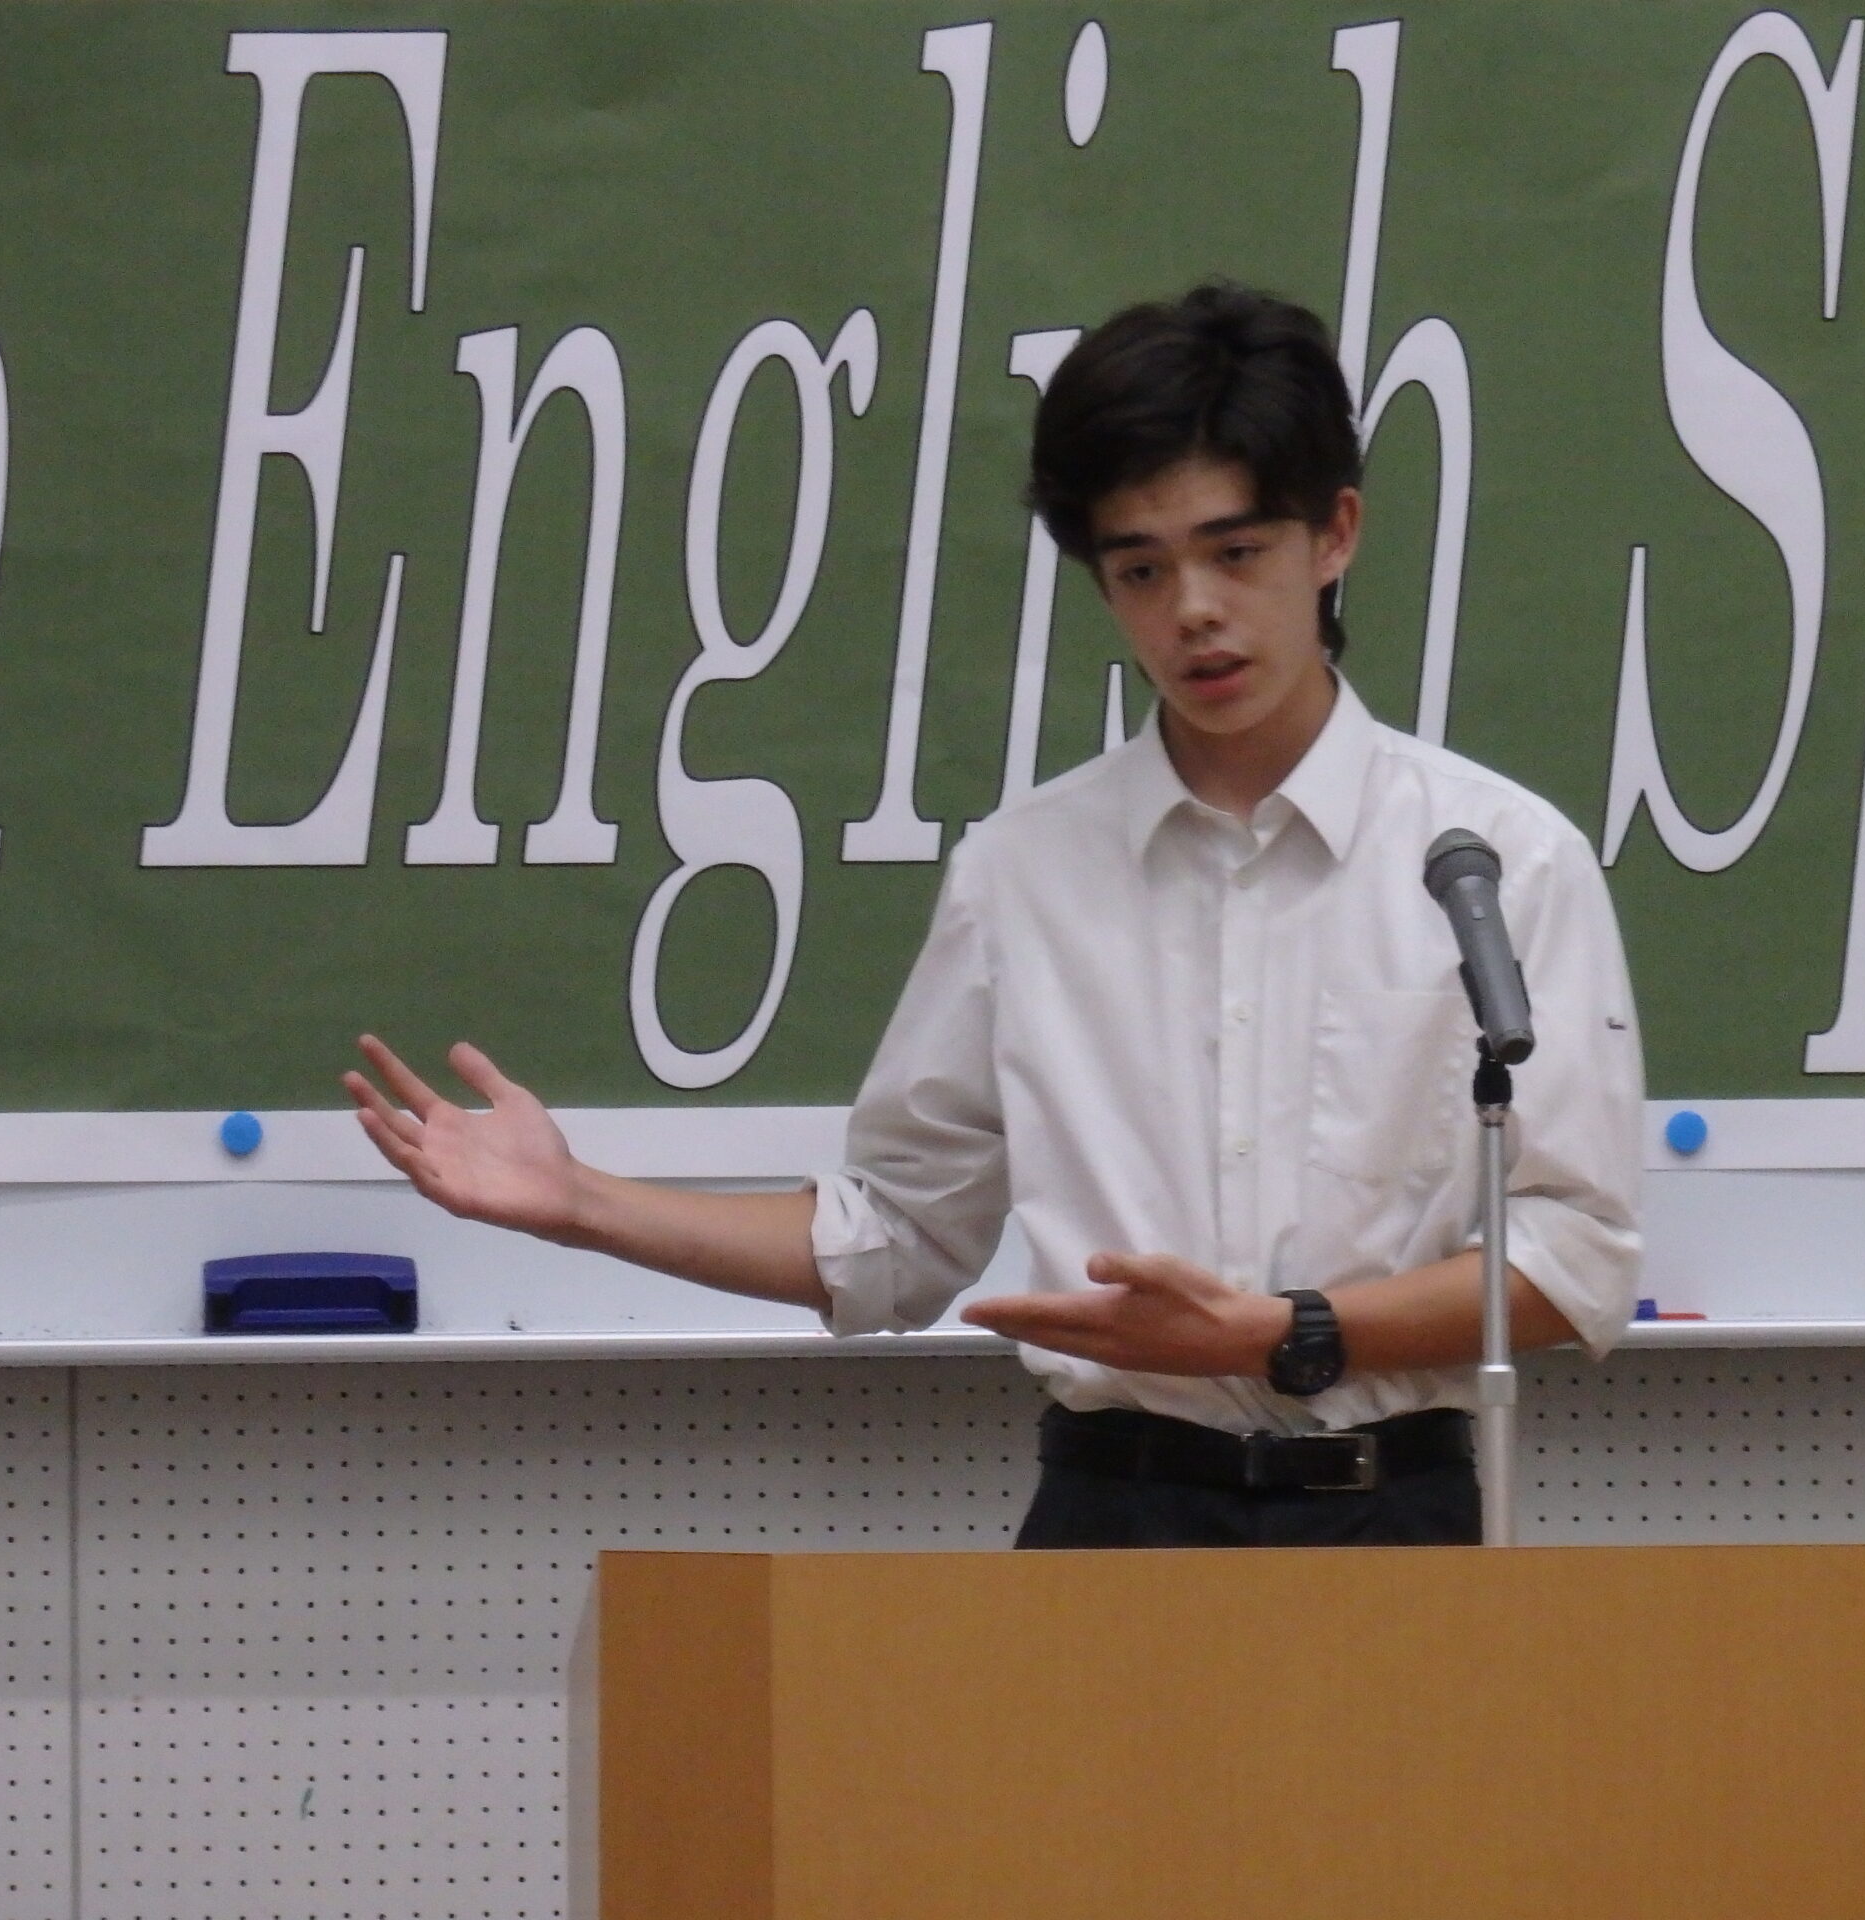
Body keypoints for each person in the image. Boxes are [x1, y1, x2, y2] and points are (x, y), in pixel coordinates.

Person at [346, 282, 1645, 1548]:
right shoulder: (1024, 872)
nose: (1194, 610)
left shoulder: (1496, 860)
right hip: (1118, 1514)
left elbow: (1577, 1257)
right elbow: (897, 1240)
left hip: (1394, 1513)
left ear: (1336, 535)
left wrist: (1283, 1335)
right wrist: (579, 1200)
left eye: (1238, 553)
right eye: (1141, 569)